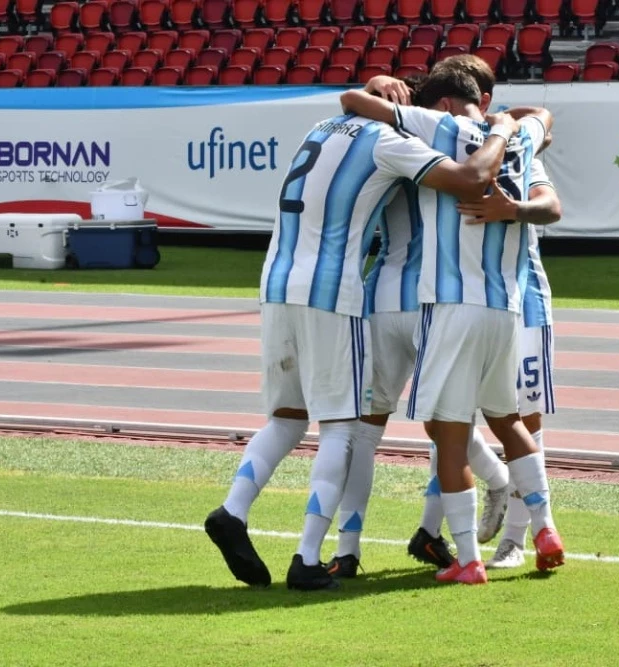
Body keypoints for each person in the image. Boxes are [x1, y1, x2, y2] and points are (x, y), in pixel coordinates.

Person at [203, 100, 520, 591]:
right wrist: (500, 130)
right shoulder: (390, 141)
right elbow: (471, 178)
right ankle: (308, 557)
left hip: (275, 282)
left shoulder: (323, 127)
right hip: (333, 293)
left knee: (287, 417)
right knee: (343, 428)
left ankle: (233, 511)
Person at [341, 68, 564, 585]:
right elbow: (543, 122)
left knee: (442, 427)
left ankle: (464, 555)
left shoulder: (429, 130)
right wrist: (509, 126)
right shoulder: (519, 140)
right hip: (505, 303)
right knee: (508, 418)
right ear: (480, 100)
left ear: (440, 103)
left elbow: (353, 103)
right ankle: (542, 526)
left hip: (437, 301)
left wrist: (378, 86)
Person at [323, 75, 514, 578]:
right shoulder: (457, 137)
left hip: (386, 291)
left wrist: (375, 84)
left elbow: (350, 104)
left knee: (366, 431)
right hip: (438, 296)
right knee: (448, 422)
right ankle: (478, 496)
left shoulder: (383, 138)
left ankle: (349, 550)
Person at [435, 54, 562, 568]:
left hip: (523, 298)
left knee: (523, 421)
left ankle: (516, 539)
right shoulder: (439, 146)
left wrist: (513, 209)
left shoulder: (513, 147)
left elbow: (551, 207)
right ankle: (489, 493)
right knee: (447, 420)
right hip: (461, 300)